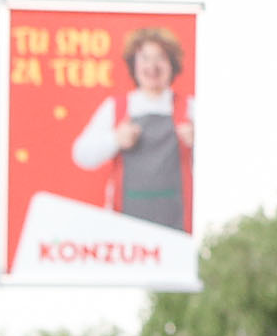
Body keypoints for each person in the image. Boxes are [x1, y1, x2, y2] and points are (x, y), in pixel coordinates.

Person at [69, 27, 195, 232]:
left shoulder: (190, 108)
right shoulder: (115, 107)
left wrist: (196, 142)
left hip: (177, 225)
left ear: (172, 64)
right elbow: (81, 155)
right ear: (134, 64)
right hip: (125, 225)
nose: (152, 66)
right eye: (144, 58)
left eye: (160, 58)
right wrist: (115, 140)